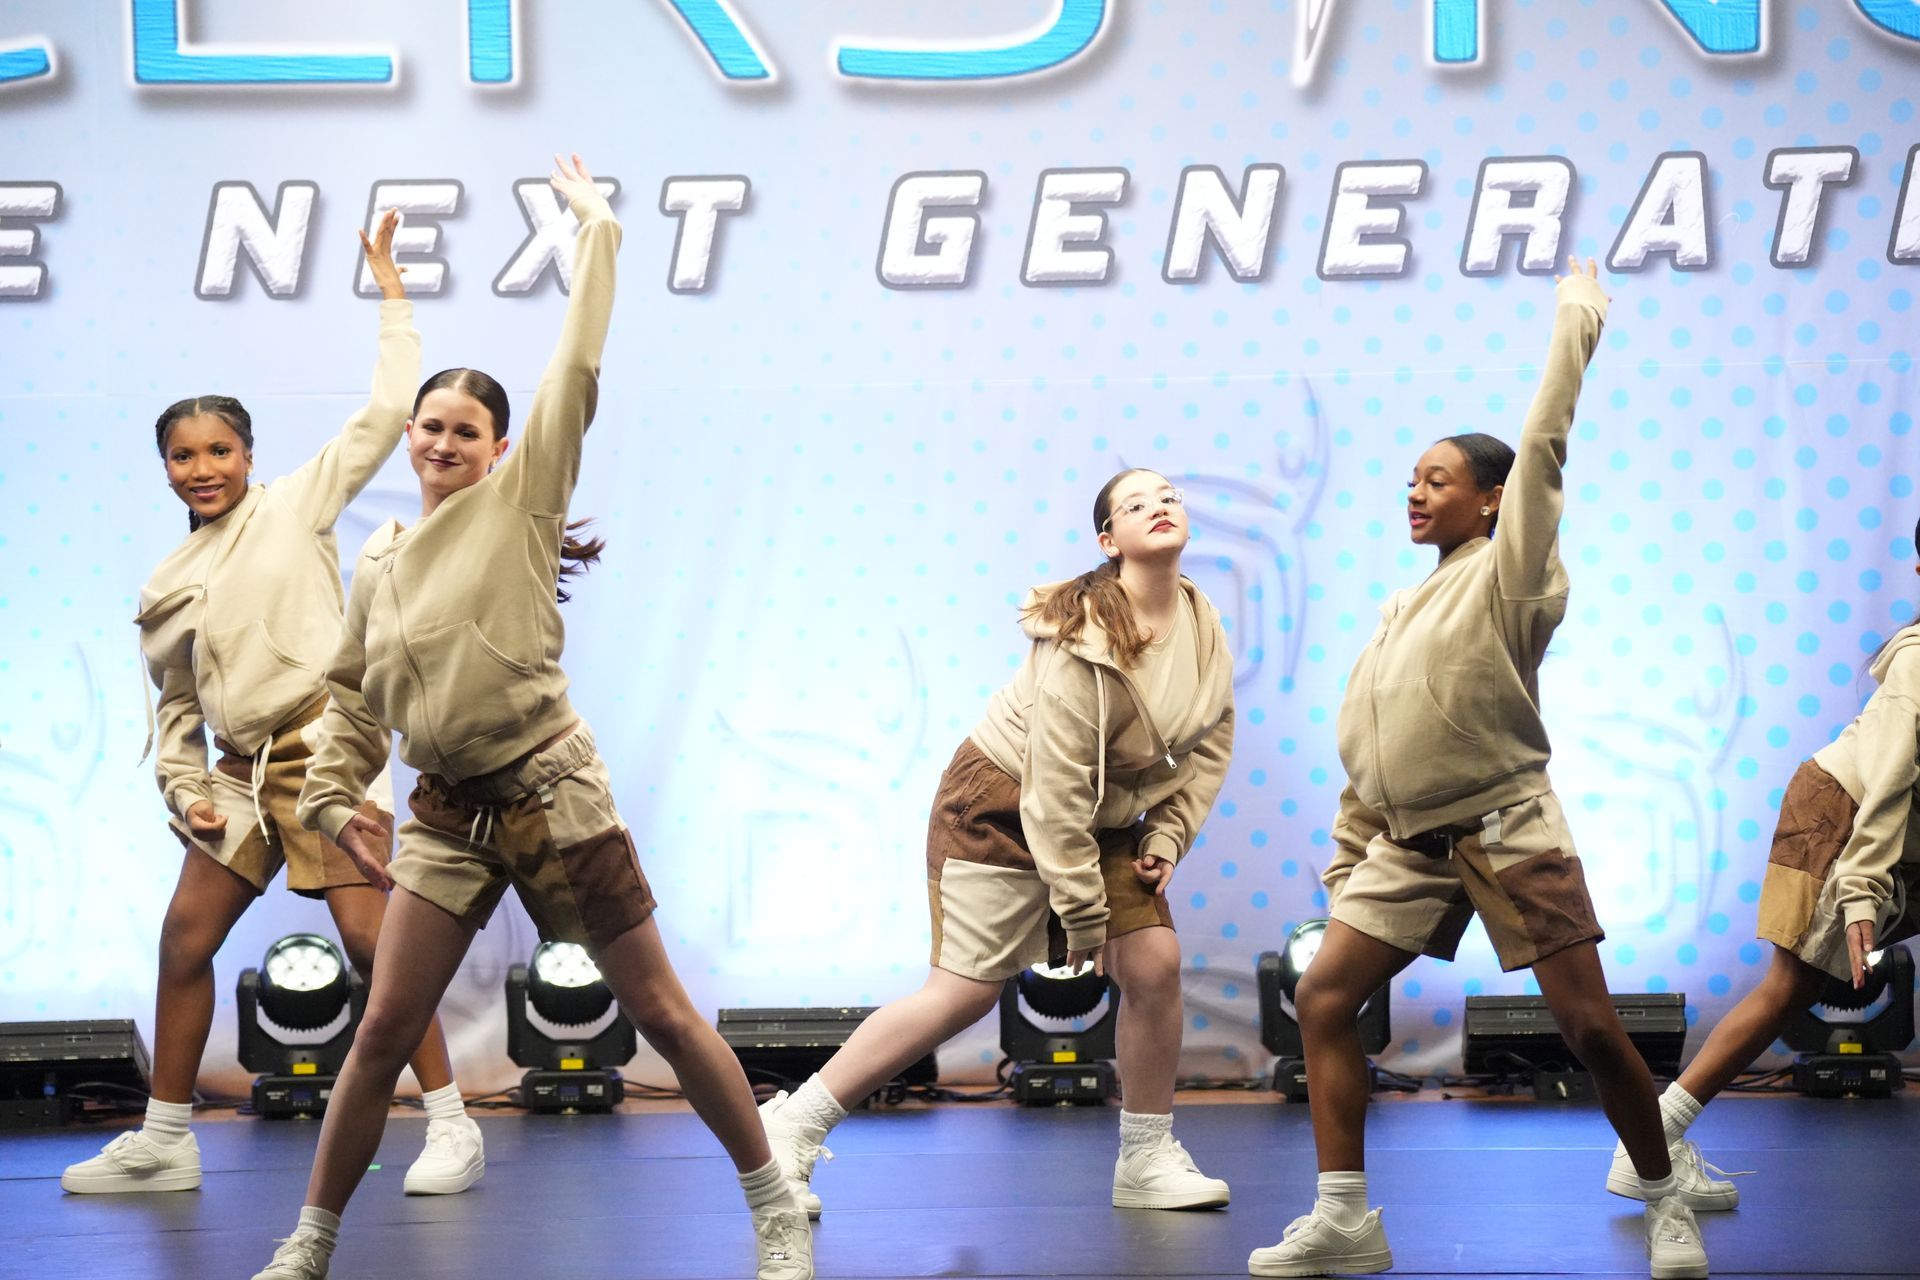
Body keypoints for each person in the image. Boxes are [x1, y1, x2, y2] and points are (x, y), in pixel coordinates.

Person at [247, 155, 811, 1280]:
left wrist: (597, 232)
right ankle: (308, 1245)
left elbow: (577, 366)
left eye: (467, 429)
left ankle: (774, 1202)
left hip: (552, 789)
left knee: (657, 1005)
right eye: (430, 426)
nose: (444, 442)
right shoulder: (382, 553)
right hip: (445, 813)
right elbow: (356, 697)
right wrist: (322, 794)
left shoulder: (520, 504)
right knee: (377, 1034)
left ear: (501, 447)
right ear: (410, 438)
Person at [1247, 261, 1710, 1280]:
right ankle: (1344, 1219)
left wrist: (1575, 319)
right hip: (1406, 847)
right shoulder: (1401, 606)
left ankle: (1664, 1186)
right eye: (1409, 479)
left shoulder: (1513, 575)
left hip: (1507, 827)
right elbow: (1369, 757)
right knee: (1323, 999)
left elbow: (1544, 441)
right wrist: (1346, 870)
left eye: (1437, 479)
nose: (1415, 491)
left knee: (1589, 1025)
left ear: (1493, 502)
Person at [62, 212, 481, 1199]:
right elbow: (174, 703)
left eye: (218, 449)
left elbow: (388, 409)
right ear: (165, 467)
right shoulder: (168, 576)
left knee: (378, 941)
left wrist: (390, 291)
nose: (201, 467)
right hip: (237, 777)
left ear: (249, 454)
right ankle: (167, 1136)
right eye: (183, 454)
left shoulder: (298, 502)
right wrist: (184, 788)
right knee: (184, 940)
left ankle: (453, 1122)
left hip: (327, 751)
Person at [761, 467, 1236, 1220]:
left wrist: (1170, 833)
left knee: (1154, 963)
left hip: (1100, 815)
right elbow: (1052, 790)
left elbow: (1212, 739)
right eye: (1136, 503)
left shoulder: (1202, 619)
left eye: (1169, 496)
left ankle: (1146, 1156)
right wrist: (1083, 915)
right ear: (1109, 542)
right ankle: (791, 1126)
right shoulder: (1081, 637)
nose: (1161, 506)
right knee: (963, 994)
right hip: (1004, 800)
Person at [1600, 544, 1920, 1209]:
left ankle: (1652, 1141)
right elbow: (1890, 778)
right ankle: (1652, 1143)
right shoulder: (1919, 659)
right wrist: (1861, 888)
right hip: (1845, 812)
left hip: (1879, 826)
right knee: (1788, 987)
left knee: (1789, 987)